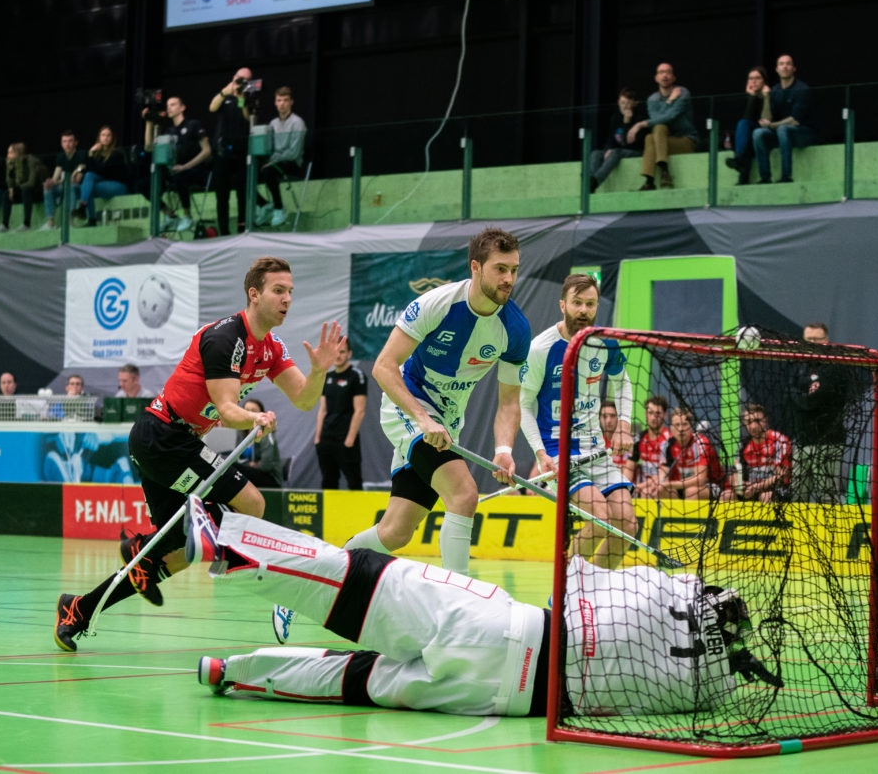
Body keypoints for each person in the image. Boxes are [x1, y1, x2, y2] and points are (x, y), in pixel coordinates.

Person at [187, 500, 773, 715]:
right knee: (355, 679)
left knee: (362, 580)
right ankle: (235, 672)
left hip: (503, 628)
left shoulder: (661, 588)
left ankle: (233, 547)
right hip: (499, 700)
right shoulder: (702, 695)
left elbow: (571, 576)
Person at [53, 256, 343, 652]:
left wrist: (320, 371)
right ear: (254, 294)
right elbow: (226, 409)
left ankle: (78, 609)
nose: (287, 299)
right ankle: (157, 550)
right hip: (163, 436)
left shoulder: (272, 348)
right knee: (251, 503)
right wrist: (254, 420)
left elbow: (305, 400)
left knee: (179, 554)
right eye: (279, 291)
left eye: (291, 292)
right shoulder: (226, 338)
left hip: (174, 444)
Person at [335, 226, 527, 581]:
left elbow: (509, 403)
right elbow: (383, 367)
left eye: (514, 270)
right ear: (476, 267)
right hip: (409, 407)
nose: (509, 279)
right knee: (464, 494)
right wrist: (423, 419)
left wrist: (504, 449)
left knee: (394, 533)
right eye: (500, 268)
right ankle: (460, 604)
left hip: (447, 424)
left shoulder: (515, 329)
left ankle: (320, 569)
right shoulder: (436, 304)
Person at [519, 273, 635, 568]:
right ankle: (563, 593)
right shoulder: (540, 349)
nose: (583, 310)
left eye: (590, 304)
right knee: (600, 519)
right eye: (577, 303)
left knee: (626, 526)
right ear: (563, 304)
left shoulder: (605, 343)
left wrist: (623, 425)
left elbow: (623, 384)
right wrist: (540, 452)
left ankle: (593, 591)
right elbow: (523, 405)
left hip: (596, 449)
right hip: (558, 453)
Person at [786, 322, 853, 503]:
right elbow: (792, 395)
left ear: (826, 340)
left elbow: (811, 401)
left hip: (828, 443)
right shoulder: (796, 366)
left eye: (817, 339)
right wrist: (805, 393)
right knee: (798, 498)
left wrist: (802, 394)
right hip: (801, 443)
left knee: (827, 497)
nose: (813, 343)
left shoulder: (836, 366)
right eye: (809, 340)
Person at [144, 95, 212, 232]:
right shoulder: (169, 132)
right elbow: (149, 148)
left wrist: (185, 167)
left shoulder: (193, 125)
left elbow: (207, 151)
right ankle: (171, 216)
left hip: (196, 171)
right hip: (176, 171)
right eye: (168, 105)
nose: (169, 107)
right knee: (143, 184)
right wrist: (149, 123)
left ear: (182, 108)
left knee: (180, 176)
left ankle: (188, 216)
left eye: (173, 104)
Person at [629, 62, 698, 190]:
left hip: (686, 140)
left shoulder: (682, 92)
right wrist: (669, 100)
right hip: (663, 142)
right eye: (661, 72)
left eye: (668, 72)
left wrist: (641, 124)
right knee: (652, 135)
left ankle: (657, 175)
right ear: (656, 78)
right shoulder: (652, 99)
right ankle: (656, 177)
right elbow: (656, 120)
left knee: (657, 130)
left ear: (673, 77)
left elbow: (670, 117)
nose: (665, 75)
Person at [208, 67, 260, 235]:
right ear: (234, 77)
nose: (241, 82)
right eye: (239, 78)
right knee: (222, 196)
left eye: (246, 79)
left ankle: (242, 227)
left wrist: (243, 97)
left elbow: (248, 117)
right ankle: (223, 231)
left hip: (241, 152)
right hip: (223, 152)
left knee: (241, 193)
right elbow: (212, 108)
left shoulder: (250, 96)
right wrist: (226, 91)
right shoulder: (225, 95)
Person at [752, 55, 815, 184]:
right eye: (781, 64)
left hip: (803, 134)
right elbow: (766, 119)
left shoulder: (802, 88)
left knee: (782, 129)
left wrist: (771, 126)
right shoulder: (775, 90)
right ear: (777, 69)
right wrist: (766, 98)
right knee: (757, 133)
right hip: (782, 134)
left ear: (794, 68)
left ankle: (786, 176)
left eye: (788, 64)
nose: (784, 66)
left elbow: (795, 121)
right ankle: (765, 177)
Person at [314, 338, 367, 490]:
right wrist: (318, 437)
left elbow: (360, 410)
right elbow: (322, 409)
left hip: (345, 439)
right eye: (335, 352)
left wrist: (350, 439)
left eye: (342, 352)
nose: (338, 355)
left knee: (354, 482)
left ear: (349, 354)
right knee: (328, 482)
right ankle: (331, 514)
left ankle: (357, 514)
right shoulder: (327, 377)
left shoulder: (357, 376)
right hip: (326, 439)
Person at [721, 403, 791, 503]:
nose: (753, 426)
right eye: (749, 422)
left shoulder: (779, 441)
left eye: (757, 421)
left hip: (776, 490)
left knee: (766, 496)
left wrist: (756, 487)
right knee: (726, 495)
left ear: (765, 421)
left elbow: (782, 476)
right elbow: (735, 472)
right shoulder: (743, 445)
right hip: (751, 490)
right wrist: (739, 485)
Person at [258, 86, 307, 227]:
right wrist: (270, 160)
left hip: (293, 164)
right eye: (279, 100)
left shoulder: (298, 122)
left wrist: (272, 161)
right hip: (276, 162)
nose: (282, 104)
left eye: (285, 100)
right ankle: (264, 205)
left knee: (269, 170)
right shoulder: (273, 123)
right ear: (275, 102)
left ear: (291, 102)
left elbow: (294, 153)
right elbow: (269, 149)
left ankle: (279, 208)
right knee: (246, 172)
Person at [589, 87, 647, 193]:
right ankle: (590, 182)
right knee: (596, 154)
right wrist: (608, 149)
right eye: (622, 103)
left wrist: (627, 122)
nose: (624, 107)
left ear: (634, 104)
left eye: (628, 103)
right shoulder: (615, 118)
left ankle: (595, 181)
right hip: (618, 150)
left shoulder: (639, 119)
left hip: (636, 151)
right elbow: (611, 139)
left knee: (616, 152)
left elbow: (629, 144)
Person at [657, 408, 724, 501]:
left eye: (684, 424)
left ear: (691, 426)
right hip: (682, 487)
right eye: (677, 425)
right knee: (661, 490)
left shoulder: (700, 443)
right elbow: (663, 476)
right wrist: (662, 484)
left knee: (691, 492)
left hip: (712, 486)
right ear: (671, 428)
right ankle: (677, 515)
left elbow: (700, 480)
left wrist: (671, 484)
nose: (681, 429)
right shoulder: (667, 445)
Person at [72, 125, 128, 227]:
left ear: (112, 138)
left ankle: (86, 212)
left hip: (117, 186)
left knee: (87, 184)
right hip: (102, 183)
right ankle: (89, 217)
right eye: (103, 135)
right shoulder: (97, 154)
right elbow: (90, 169)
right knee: (88, 183)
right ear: (99, 137)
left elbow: (102, 170)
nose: (105, 138)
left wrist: (90, 154)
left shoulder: (117, 153)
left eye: (108, 135)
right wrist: (79, 170)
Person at [724, 67, 770, 185]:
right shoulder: (748, 97)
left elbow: (766, 118)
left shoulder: (769, 94)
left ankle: (741, 166)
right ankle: (740, 163)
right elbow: (747, 117)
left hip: (768, 129)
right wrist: (752, 96)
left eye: (757, 78)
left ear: (764, 81)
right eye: (751, 79)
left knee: (746, 128)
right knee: (744, 127)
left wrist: (766, 97)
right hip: (749, 133)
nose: (753, 81)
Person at [623, 394, 671, 497]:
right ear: (645, 413)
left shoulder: (669, 440)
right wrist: (624, 487)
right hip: (643, 487)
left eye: (658, 413)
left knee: (647, 492)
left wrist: (640, 486)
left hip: (665, 488)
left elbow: (663, 476)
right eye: (650, 413)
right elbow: (629, 468)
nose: (653, 417)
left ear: (665, 415)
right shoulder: (639, 439)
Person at [40, 130, 83, 231]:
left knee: (71, 187)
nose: (67, 144)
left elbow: (77, 179)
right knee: (48, 188)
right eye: (64, 141)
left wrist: (74, 173)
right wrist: (50, 182)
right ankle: (50, 223)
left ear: (76, 142)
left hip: (78, 187)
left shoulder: (81, 154)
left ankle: (70, 222)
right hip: (65, 185)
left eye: (70, 141)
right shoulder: (61, 157)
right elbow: (56, 178)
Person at [2, 142, 48, 232]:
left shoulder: (31, 160)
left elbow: (32, 182)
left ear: (18, 153)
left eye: (11, 152)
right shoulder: (12, 163)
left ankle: (27, 224)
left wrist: (17, 187)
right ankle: (5, 224)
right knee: (7, 193)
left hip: (37, 191)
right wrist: (11, 188)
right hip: (24, 191)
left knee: (25, 189)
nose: (8, 155)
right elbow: (10, 182)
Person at [241, 397, 284, 488]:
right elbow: (237, 459)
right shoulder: (240, 434)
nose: (250, 413)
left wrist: (248, 465)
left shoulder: (265, 434)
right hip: (251, 475)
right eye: (247, 410)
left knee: (233, 468)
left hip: (271, 480)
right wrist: (249, 464)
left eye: (253, 411)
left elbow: (266, 465)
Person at [599, 399, 629, 473]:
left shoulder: (626, 441)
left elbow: (627, 470)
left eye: (612, 416)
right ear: (599, 418)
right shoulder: (596, 442)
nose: (608, 420)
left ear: (618, 418)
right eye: (605, 416)